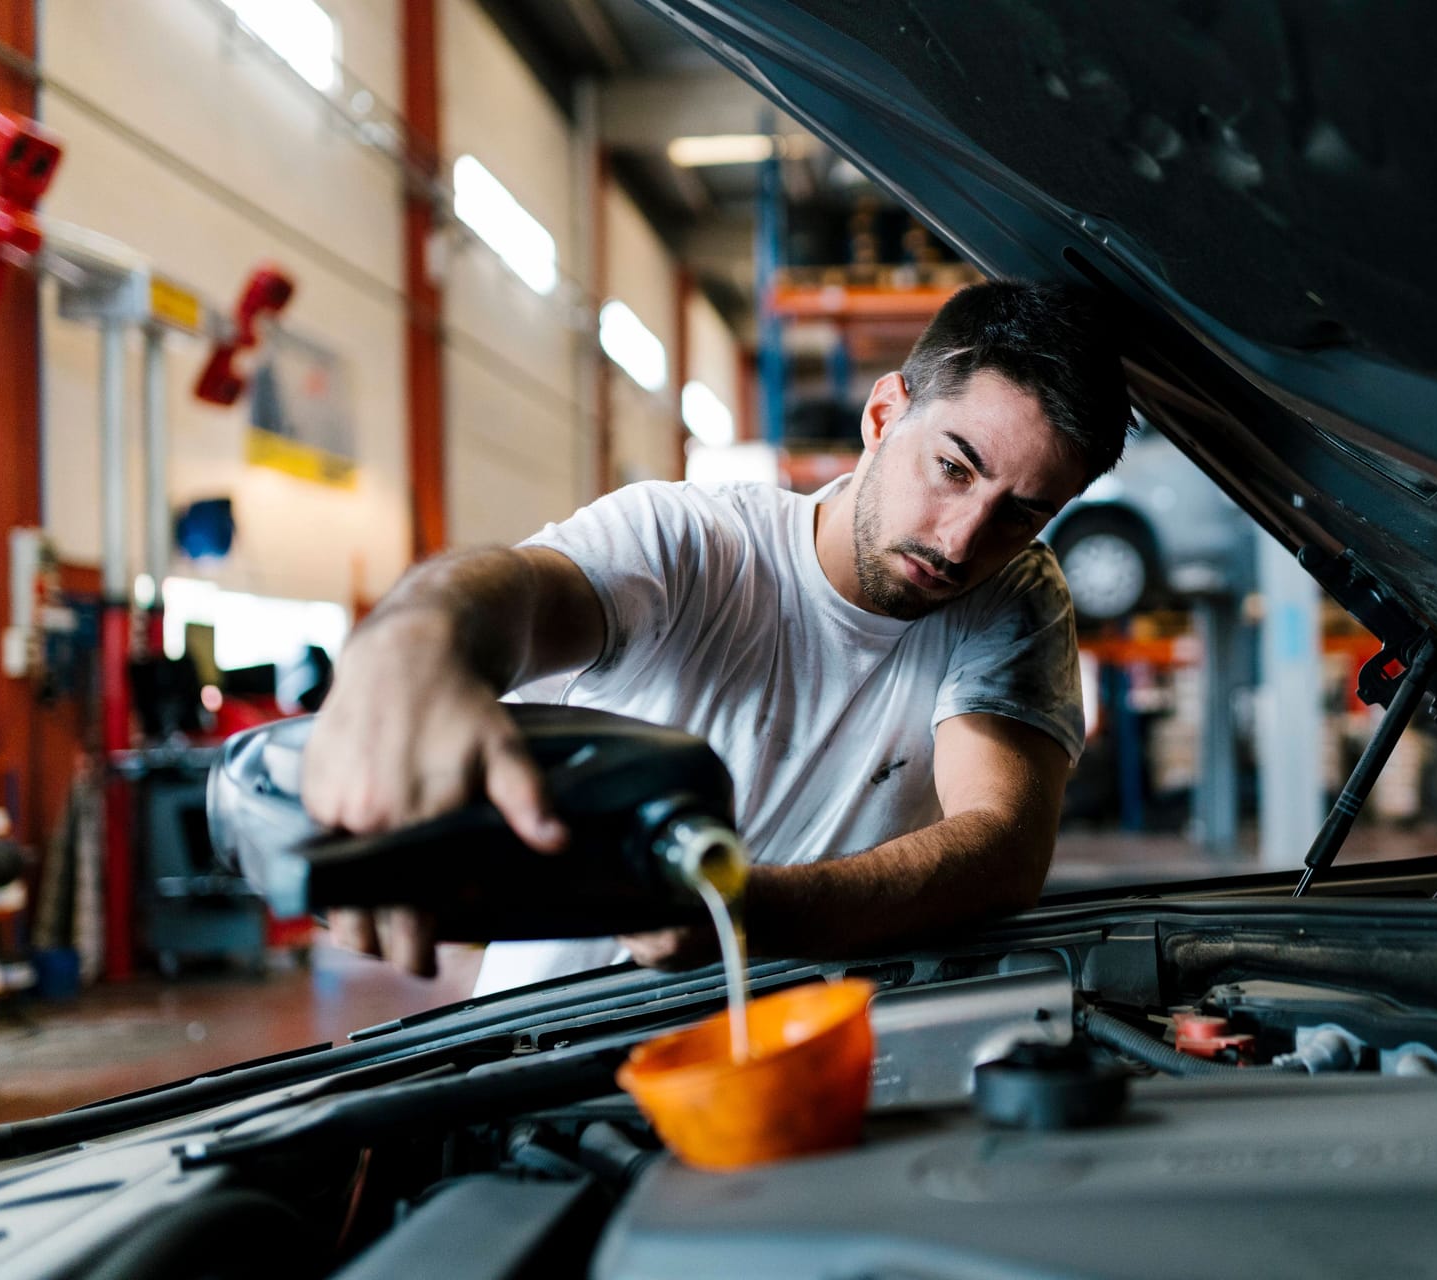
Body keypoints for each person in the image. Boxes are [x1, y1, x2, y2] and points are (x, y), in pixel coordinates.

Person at [301, 281, 1132, 993]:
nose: (961, 543)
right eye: (954, 468)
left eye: (1021, 514)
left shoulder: (1013, 598)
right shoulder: (690, 541)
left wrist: (737, 909)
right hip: (541, 1063)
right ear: (884, 414)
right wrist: (416, 641)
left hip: (794, 1076)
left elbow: (1002, 848)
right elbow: (522, 594)